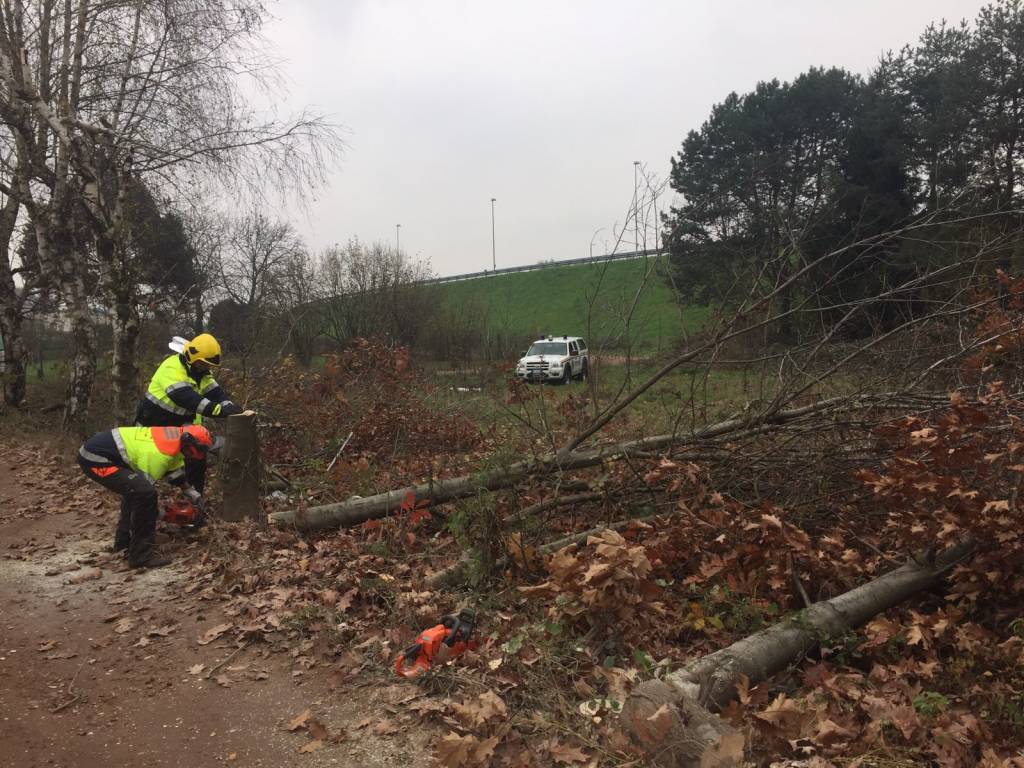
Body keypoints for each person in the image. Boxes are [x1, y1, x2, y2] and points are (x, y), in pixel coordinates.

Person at [78, 425, 213, 568]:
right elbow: (143, 495)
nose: (198, 454)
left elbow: (171, 468)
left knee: (135, 491)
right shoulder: (157, 454)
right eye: (199, 450)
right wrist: (163, 515)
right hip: (95, 459)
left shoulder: (174, 440)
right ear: (190, 443)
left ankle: (123, 544)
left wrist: (190, 491)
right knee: (144, 493)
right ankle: (140, 556)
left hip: (104, 451)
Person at [135, 333, 249, 494]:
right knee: (148, 471)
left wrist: (228, 406)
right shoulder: (172, 369)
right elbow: (189, 399)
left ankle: (195, 502)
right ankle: (139, 506)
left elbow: (216, 392)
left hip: (179, 426)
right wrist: (220, 410)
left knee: (197, 459)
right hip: (152, 427)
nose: (206, 368)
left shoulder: (200, 372)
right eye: (203, 364)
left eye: (208, 365)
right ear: (193, 358)